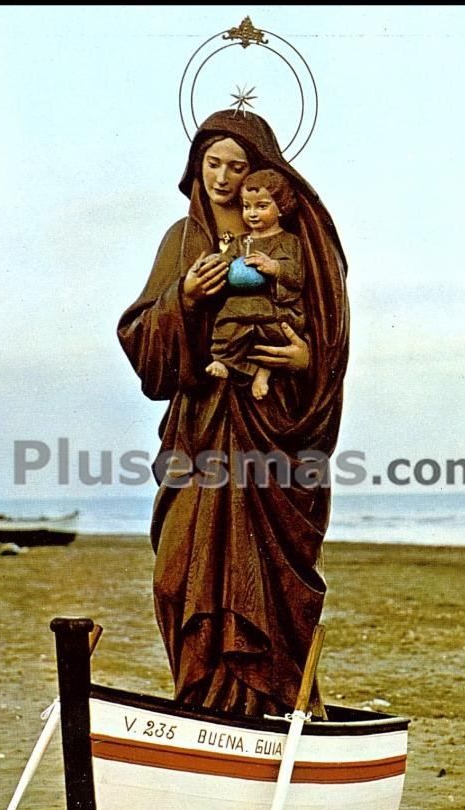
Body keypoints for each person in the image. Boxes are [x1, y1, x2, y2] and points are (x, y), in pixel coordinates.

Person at [117, 110, 349, 718]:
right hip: (200, 431)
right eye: (212, 163)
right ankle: (202, 705)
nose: (222, 178)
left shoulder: (299, 241)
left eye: (237, 166)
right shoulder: (183, 239)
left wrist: (304, 359)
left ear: (261, 177)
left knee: (268, 584)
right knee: (176, 575)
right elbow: (144, 346)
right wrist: (185, 297)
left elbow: (328, 334)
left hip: (271, 434)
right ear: (197, 165)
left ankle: (269, 712)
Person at [205, 168, 305, 400]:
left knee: (273, 336)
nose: (252, 213)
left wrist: (275, 267)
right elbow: (227, 259)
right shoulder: (241, 242)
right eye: (246, 206)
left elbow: (296, 273)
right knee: (227, 326)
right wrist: (217, 261)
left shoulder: (288, 241)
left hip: (274, 306)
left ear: (281, 207)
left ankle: (264, 372)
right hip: (241, 304)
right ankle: (225, 361)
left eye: (261, 206)